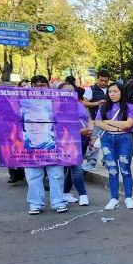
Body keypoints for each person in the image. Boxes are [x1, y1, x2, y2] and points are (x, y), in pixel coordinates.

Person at [24, 75, 67, 215]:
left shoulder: (57, 100)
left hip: (54, 145)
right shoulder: (24, 101)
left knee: (56, 175)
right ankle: (36, 203)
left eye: (42, 85)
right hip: (29, 148)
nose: (39, 88)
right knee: (33, 176)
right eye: (36, 85)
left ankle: (58, 201)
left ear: (48, 86)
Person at [95, 82, 133, 210]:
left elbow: (128, 124)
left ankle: (128, 197)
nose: (112, 94)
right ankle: (114, 199)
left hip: (125, 139)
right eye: (110, 92)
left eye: (115, 91)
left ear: (121, 92)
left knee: (125, 169)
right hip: (107, 140)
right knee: (112, 169)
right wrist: (117, 126)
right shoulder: (103, 107)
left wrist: (108, 122)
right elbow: (98, 123)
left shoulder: (130, 107)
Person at [57, 81, 90, 207]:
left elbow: (88, 118)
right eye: (67, 91)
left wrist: (90, 130)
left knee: (72, 169)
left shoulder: (79, 103)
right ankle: (83, 194)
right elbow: (60, 127)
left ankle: (65, 192)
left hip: (84, 138)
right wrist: (79, 131)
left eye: (72, 90)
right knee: (77, 168)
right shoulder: (58, 107)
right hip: (69, 141)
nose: (70, 93)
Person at [81, 69, 110, 171]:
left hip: (110, 121)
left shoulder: (112, 89)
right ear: (97, 79)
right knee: (94, 142)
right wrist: (97, 103)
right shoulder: (91, 89)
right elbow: (84, 103)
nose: (103, 83)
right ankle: (91, 163)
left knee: (108, 142)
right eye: (101, 80)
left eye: (106, 81)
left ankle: (107, 161)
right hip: (95, 120)